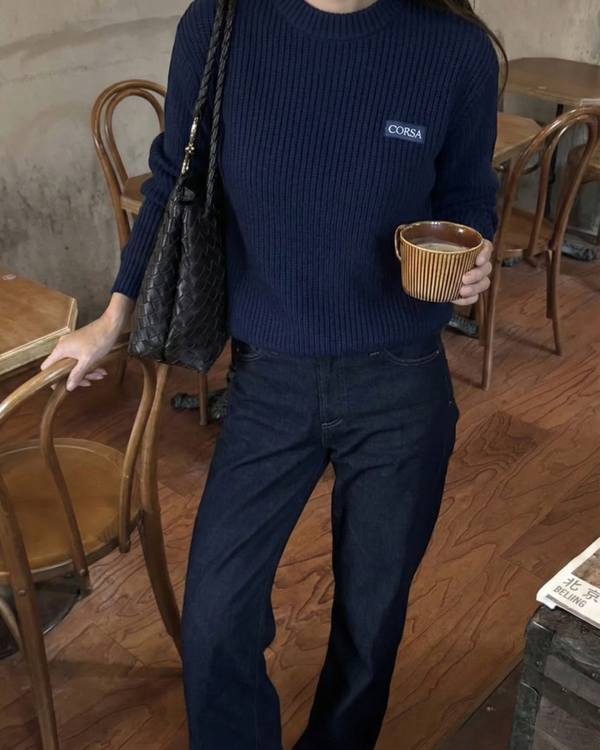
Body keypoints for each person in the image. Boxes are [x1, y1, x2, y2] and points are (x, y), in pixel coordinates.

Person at [43, 0, 502, 747]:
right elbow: (175, 177)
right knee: (216, 618)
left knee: (371, 621)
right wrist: (112, 316)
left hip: (400, 382)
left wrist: (474, 255)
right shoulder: (220, 24)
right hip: (268, 382)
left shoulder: (456, 51)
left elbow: (467, 196)